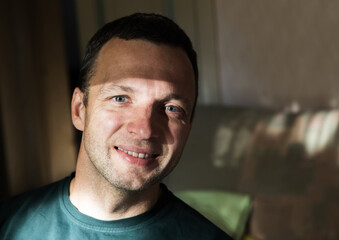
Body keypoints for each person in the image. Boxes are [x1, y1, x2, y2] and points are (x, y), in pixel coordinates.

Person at [0, 13, 232, 239]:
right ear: (79, 110)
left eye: (172, 108)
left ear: (188, 127)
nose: (145, 130)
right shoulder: (8, 225)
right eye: (120, 98)